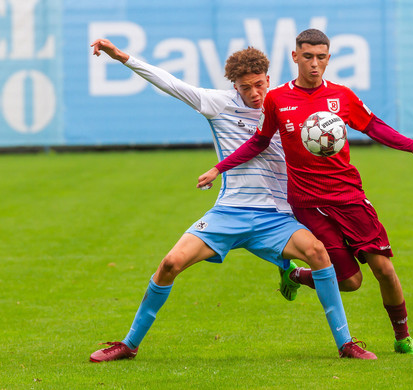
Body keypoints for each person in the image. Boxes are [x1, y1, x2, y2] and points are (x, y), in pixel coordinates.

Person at [88, 38, 377, 362]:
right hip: (229, 213)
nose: (254, 93)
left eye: (258, 85)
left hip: (276, 217)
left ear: (268, 79)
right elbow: (169, 83)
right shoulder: (217, 103)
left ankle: (346, 344)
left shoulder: (285, 105)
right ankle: (129, 344)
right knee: (170, 264)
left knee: (317, 252)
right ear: (235, 86)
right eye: (245, 87)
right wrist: (122, 57)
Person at [198, 29, 413, 355]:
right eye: (308, 56)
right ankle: (297, 274)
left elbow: (373, 125)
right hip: (309, 205)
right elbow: (259, 141)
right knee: (351, 282)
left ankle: (403, 338)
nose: (314, 64)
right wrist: (219, 167)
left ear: (328, 58)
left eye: (321, 57)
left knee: (384, 268)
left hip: (349, 197)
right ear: (295, 57)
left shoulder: (342, 95)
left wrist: (411, 145)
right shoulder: (277, 99)